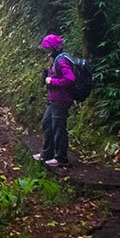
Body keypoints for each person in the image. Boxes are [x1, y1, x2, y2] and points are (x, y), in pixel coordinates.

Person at [32, 34, 75, 167]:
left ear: (54, 47)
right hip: (54, 99)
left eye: (47, 48)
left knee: (58, 128)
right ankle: (47, 153)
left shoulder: (61, 60)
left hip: (62, 100)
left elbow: (70, 79)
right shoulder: (56, 59)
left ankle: (61, 158)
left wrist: (52, 81)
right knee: (47, 124)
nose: (46, 50)